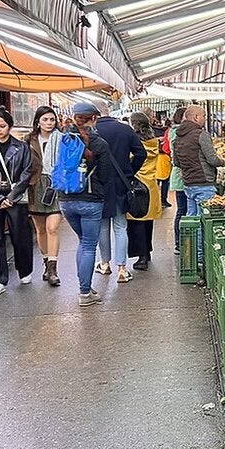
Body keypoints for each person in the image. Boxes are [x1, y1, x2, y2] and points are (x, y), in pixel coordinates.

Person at [59, 103, 112, 306]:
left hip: (66, 200)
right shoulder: (99, 144)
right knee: (89, 245)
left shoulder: (62, 140)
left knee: (82, 243)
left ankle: (86, 288)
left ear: (74, 118)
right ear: (94, 119)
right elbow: (106, 176)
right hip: (91, 199)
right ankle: (84, 293)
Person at [0, 108, 33, 296]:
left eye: (2, 126)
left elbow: (27, 173)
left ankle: (25, 270)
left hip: (14, 199)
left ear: (9, 126)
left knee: (20, 236)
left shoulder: (22, 147)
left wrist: (11, 197)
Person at [93, 101, 146, 284]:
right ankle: (122, 269)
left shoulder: (91, 132)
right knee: (120, 226)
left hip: (98, 185)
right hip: (120, 184)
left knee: (102, 226)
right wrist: (129, 171)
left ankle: (104, 263)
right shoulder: (124, 129)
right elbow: (141, 153)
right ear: (108, 111)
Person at [24, 106, 63, 287]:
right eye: (45, 119)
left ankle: (53, 270)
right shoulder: (29, 140)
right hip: (35, 186)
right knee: (40, 229)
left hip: (56, 185)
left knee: (52, 228)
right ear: (38, 121)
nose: (49, 123)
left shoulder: (62, 139)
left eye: (52, 120)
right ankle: (47, 263)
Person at [173, 104, 225, 216]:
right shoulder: (201, 135)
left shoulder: (178, 136)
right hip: (203, 183)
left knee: (192, 218)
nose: (205, 118)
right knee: (205, 218)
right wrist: (223, 162)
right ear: (196, 117)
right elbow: (212, 160)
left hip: (188, 184)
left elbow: (176, 162)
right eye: (204, 116)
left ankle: (190, 234)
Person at [126, 112, 162, 271]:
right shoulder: (153, 141)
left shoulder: (134, 143)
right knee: (148, 222)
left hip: (137, 184)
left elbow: (129, 161)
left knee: (136, 222)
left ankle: (141, 258)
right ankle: (147, 252)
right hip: (151, 185)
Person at [165, 107, 188, 254]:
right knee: (182, 210)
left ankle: (180, 243)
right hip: (182, 174)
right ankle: (180, 243)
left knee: (181, 209)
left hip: (179, 174)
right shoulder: (179, 132)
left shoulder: (173, 132)